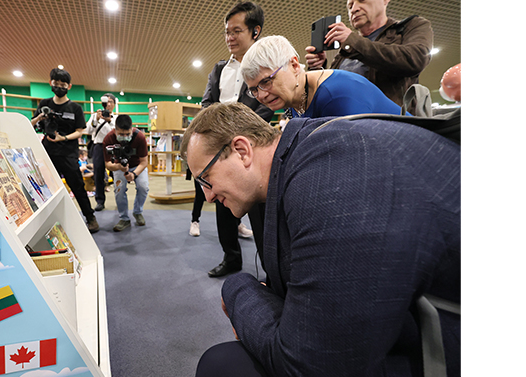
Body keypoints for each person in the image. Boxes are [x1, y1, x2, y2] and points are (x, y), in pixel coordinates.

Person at [183, 102, 460, 377]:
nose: (207, 196)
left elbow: (310, 367)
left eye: (205, 178)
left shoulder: (329, 177)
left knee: (221, 366)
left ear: (242, 151)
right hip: (414, 320)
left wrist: (236, 288)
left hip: (448, 348)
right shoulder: (311, 151)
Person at [198, 1, 272, 278]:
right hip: (222, 152)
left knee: (261, 216)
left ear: (255, 31)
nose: (229, 37)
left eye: (236, 31)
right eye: (227, 32)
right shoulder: (219, 69)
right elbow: (207, 104)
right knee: (223, 208)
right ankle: (231, 258)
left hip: (252, 152)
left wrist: (228, 127)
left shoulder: (266, 67)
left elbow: (265, 107)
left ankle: (270, 269)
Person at [304, 0, 433, 113]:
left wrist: (353, 42)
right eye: (350, 6)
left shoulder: (412, 26)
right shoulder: (344, 52)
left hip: (389, 127)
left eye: (362, 0)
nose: (354, 9)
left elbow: (416, 59)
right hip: (346, 127)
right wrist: (320, 68)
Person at [242, 35, 404, 118]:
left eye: (266, 81)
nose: (261, 95)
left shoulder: (337, 96)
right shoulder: (294, 99)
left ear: (294, 65)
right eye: (254, 90)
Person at [30, 68, 99, 233]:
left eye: (63, 85)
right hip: (47, 153)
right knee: (45, 188)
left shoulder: (75, 108)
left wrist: (65, 138)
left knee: (78, 187)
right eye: (56, 84)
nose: (59, 87)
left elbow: (80, 131)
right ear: (50, 83)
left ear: (69, 86)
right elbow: (31, 124)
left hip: (68, 153)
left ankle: (90, 217)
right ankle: (46, 221)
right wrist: (39, 117)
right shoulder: (44, 104)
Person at [103, 115, 149, 232]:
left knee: (143, 187)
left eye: (127, 134)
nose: (125, 137)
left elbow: (144, 162)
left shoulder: (139, 137)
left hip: (137, 165)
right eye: (121, 134)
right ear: (115, 130)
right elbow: (107, 164)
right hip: (118, 166)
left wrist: (134, 174)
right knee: (119, 189)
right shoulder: (108, 139)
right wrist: (118, 167)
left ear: (131, 129)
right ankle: (124, 218)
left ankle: (137, 212)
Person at [86, 93, 117, 211]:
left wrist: (109, 121)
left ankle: (119, 199)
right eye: (106, 101)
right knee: (98, 174)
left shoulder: (116, 118)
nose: (108, 104)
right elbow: (88, 130)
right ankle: (100, 201)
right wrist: (96, 119)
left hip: (113, 146)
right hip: (98, 146)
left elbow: (115, 133)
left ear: (114, 104)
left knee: (116, 174)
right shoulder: (95, 115)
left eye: (111, 102)